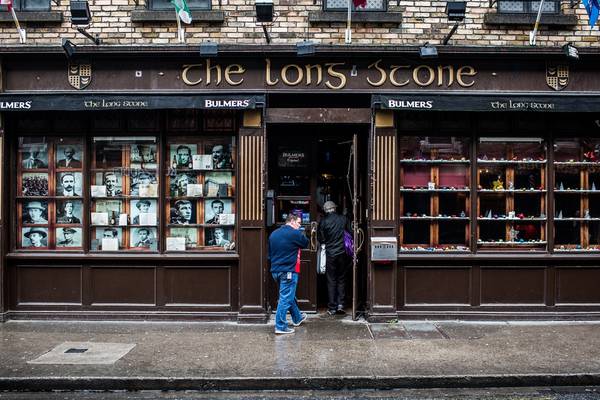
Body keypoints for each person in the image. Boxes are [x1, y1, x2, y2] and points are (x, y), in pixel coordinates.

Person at [269, 214, 309, 334]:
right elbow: (306, 243)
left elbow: (270, 254)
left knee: (288, 295)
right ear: (292, 221)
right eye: (298, 223)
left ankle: (297, 317)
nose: (299, 225)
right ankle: (280, 326)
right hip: (288, 271)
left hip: (275, 271)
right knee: (285, 298)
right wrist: (302, 232)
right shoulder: (295, 233)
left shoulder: (273, 234)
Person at [318, 201, 351, 316]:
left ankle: (332, 307)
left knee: (331, 280)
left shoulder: (323, 221)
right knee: (341, 278)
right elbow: (350, 233)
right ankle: (341, 304)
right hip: (342, 253)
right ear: (334, 208)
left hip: (330, 253)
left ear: (325, 210)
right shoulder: (343, 219)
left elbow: (321, 238)